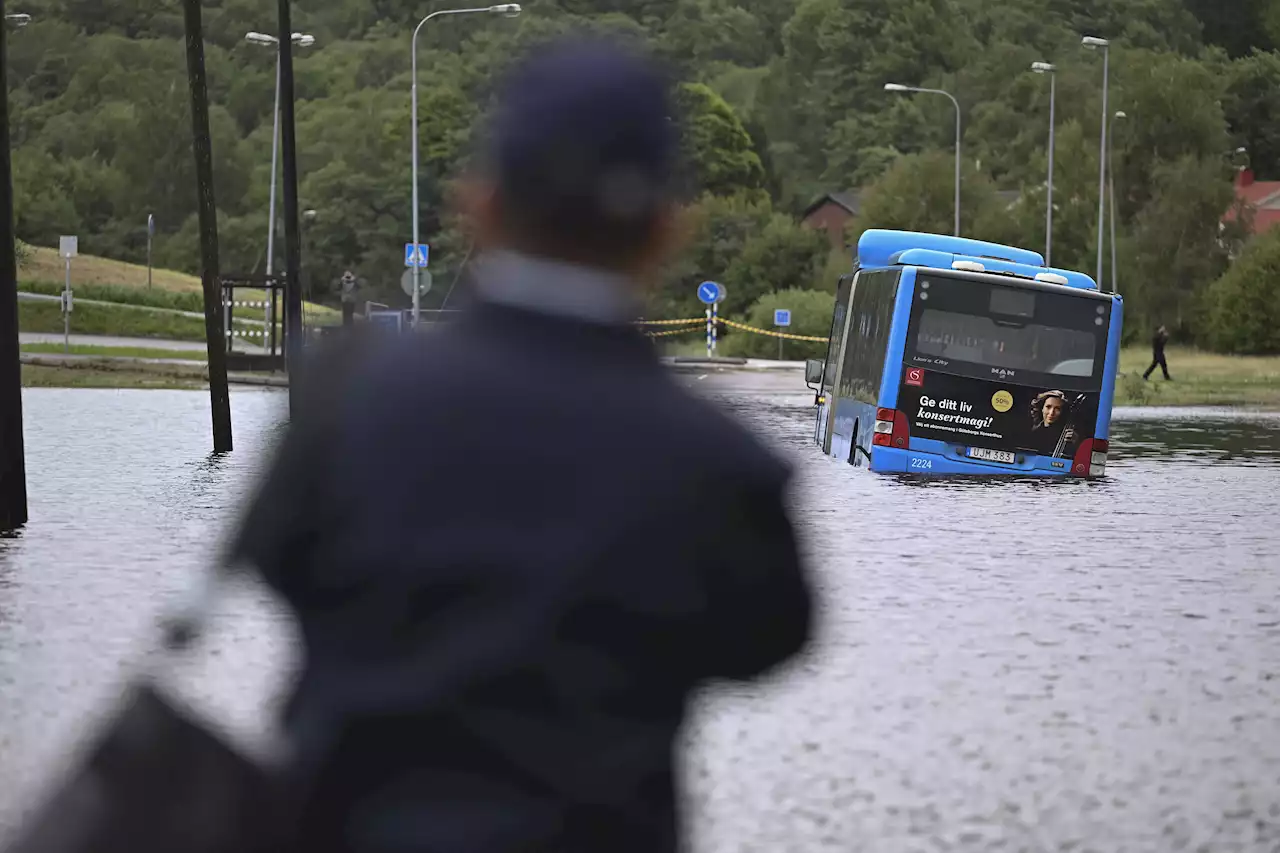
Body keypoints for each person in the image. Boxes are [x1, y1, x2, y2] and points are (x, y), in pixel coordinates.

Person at [225, 35, 813, 853]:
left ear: (482, 204)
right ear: (667, 230)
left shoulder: (349, 391)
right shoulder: (718, 463)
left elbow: (272, 561)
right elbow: (769, 639)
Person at [1027, 389, 1076, 457]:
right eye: (1048, 407)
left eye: (1057, 409)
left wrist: (1076, 443)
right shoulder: (1033, 433)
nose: (1051, 412)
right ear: (1042, 408)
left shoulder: (1066, 435)